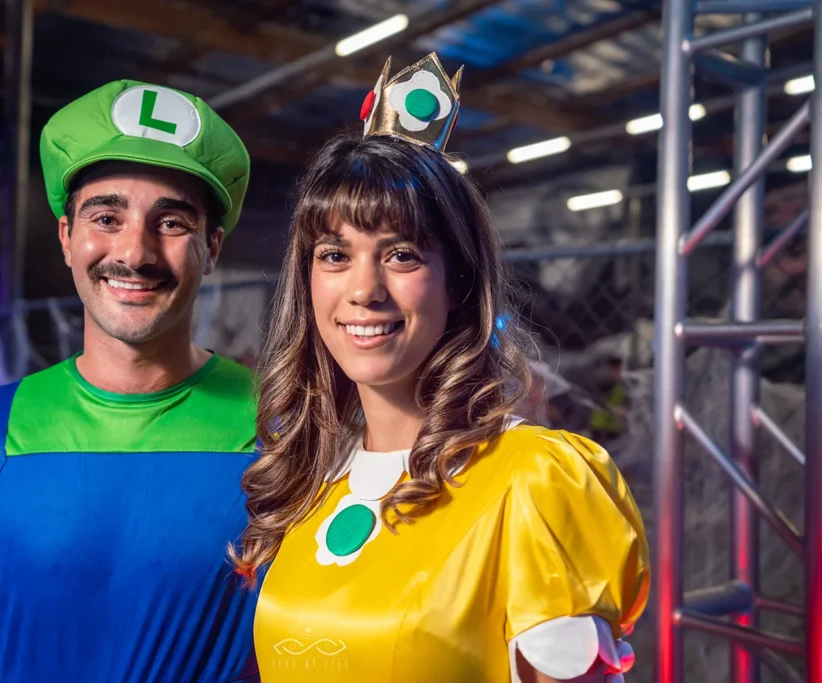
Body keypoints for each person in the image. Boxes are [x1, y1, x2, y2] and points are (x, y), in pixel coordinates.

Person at [230, 54, 649, 683]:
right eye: (335, 254)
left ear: (457, 280)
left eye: (401, 254)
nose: (363, 289)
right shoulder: (307, 487)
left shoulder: (535, 481)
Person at [0, 80, 260, 682]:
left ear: (211, 248)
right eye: (106, 216)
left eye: (171, 222)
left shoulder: (285, 433)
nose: (134, 253)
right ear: (67, 237)